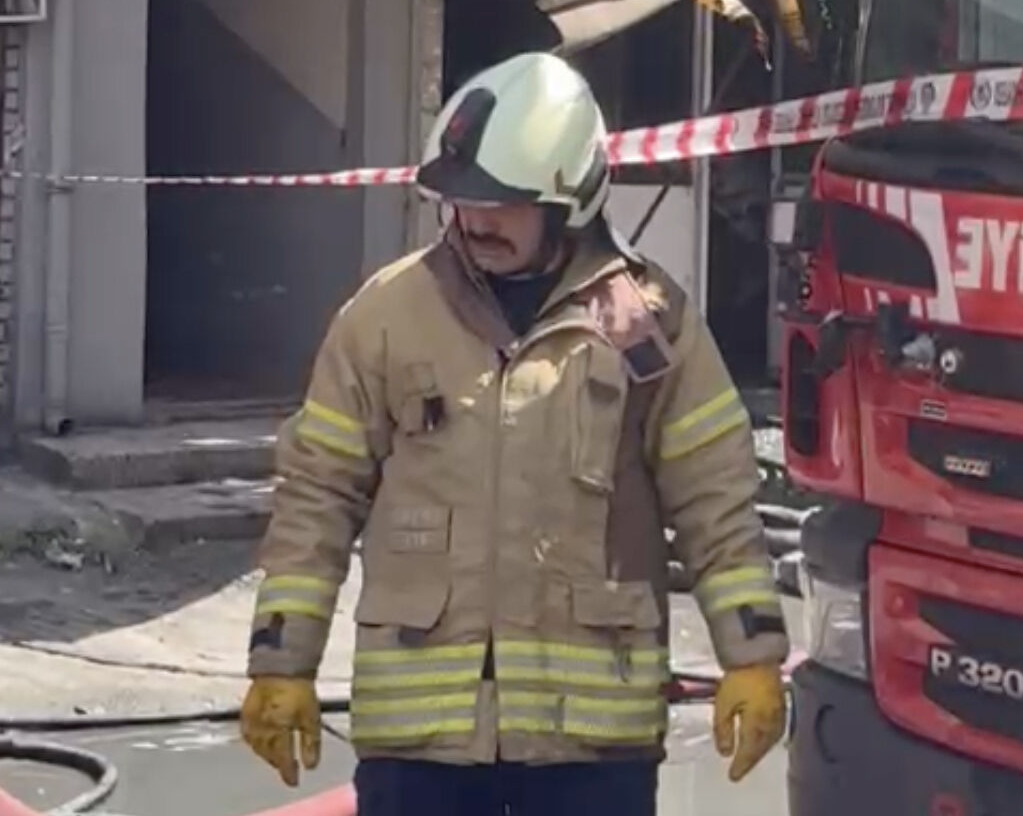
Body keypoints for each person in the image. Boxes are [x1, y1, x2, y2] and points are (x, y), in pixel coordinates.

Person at [237, 51, 789, 815]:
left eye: (503, 202)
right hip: (423, 747)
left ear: (572, 201)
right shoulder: (386, 318)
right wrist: (280, 661)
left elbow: (715, 495)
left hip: (591, 747)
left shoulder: (643, 322)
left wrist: (752, 656)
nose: (476, 219)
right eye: (463, 198)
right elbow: (316, 498)